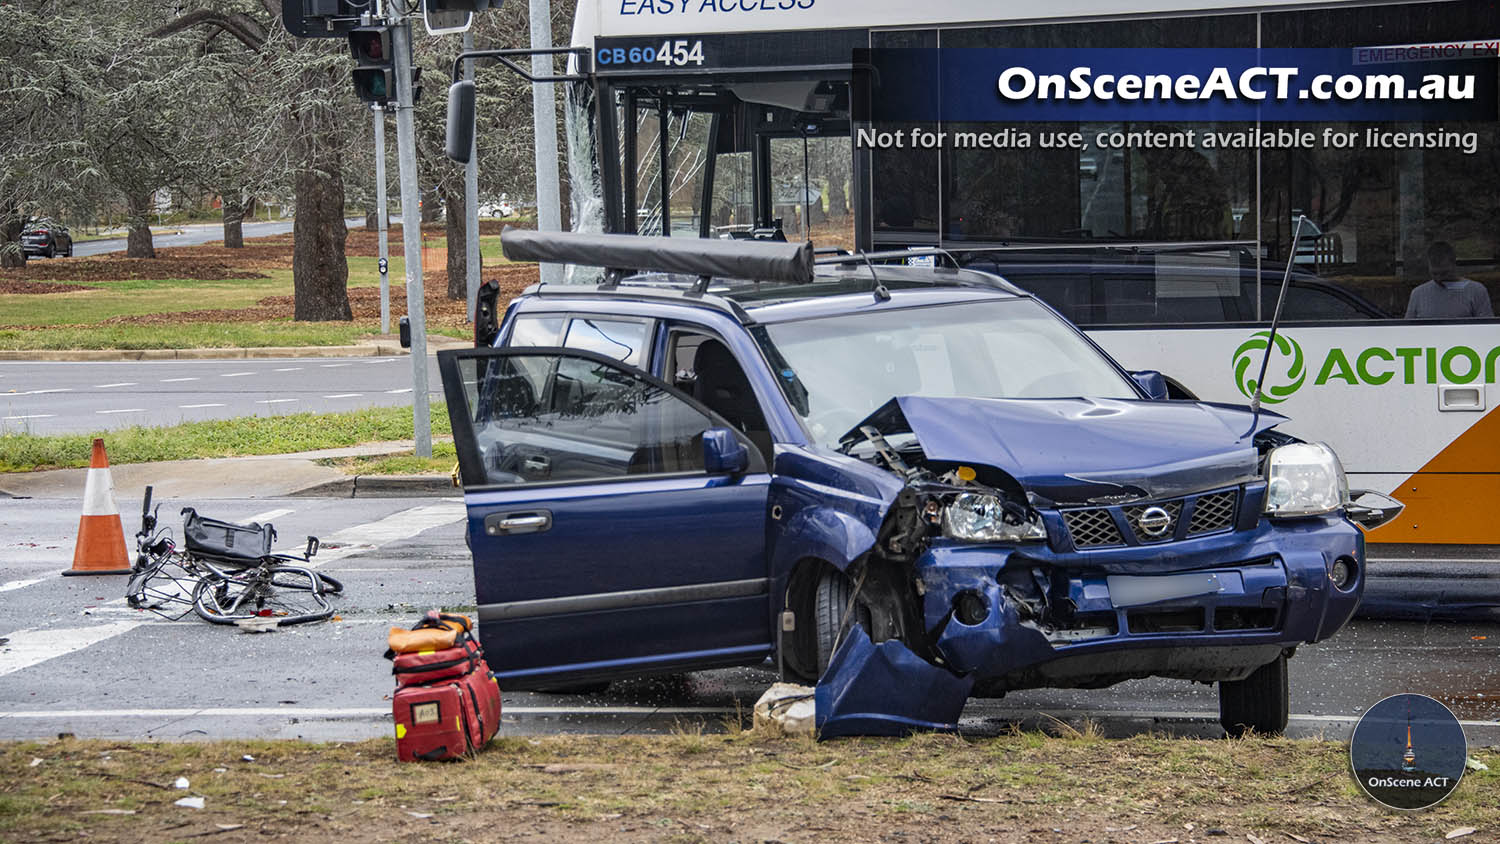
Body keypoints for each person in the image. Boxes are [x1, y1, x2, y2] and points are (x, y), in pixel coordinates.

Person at [1405, 241, 1494, 318]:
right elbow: (1407, 329)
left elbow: (1487, 328)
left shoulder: (1476, 291)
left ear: (1454, 264)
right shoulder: (1418, 294)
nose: (1439, 278)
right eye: (1434, 273)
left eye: (1444, 273)